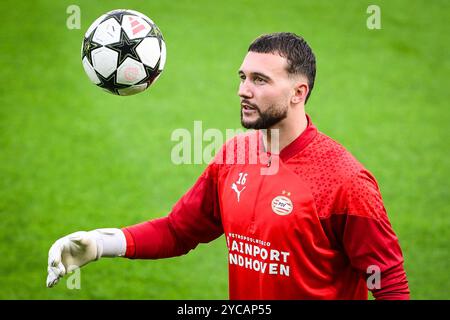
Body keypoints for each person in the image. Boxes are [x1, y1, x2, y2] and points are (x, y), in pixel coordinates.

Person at [46, 32, 410, 299]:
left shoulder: (344, 180)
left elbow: (388, 279)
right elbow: (179, 231)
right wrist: (99, 244)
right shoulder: (234, 156)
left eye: (259, 80)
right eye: (242, 77)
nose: (243, 90)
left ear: (298, 93)